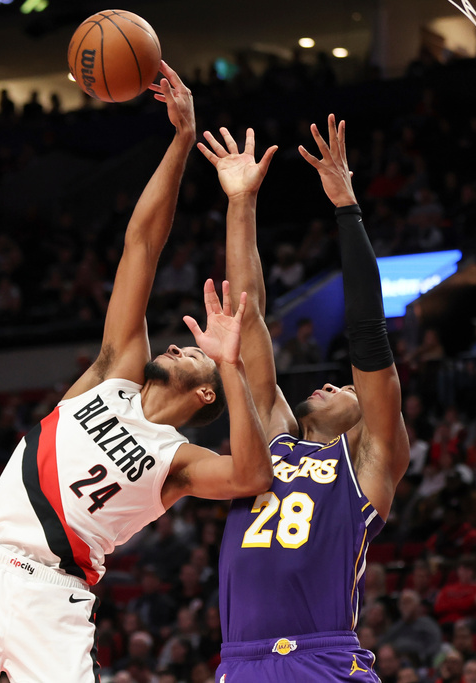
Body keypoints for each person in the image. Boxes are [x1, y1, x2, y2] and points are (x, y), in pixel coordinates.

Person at [0, 63, 273, 683]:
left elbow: (251, 474)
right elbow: (141, 245)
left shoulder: (179, 462)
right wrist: (181, 140)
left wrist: (232, 363)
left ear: (205, 391)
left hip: (52, 599)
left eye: (198, 355)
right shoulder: (114, 375)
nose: (185, 343)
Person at [198, 116, 410, 681]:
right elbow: (249, 315)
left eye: (346, 387)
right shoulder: (272, 443)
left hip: (323, 658)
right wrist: (241, 202)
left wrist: (346, 206)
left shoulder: (368, 464)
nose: (331, 384)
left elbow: (369, 337)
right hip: (241, 663)